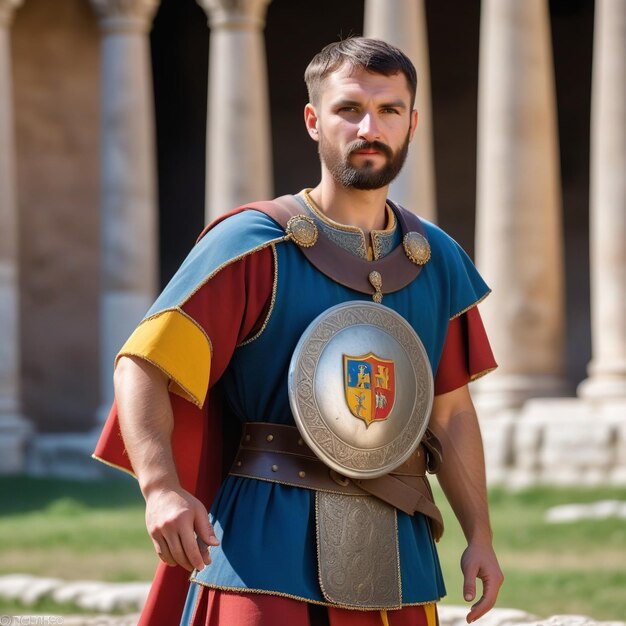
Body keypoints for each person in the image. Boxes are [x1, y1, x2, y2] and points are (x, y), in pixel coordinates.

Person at [94, 37, 503, 626]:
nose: (371, 126)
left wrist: (480, 536)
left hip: (401, 551)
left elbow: (452, 413)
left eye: (389, 110)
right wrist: (160, 487)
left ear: (412, 124)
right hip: (263, 550)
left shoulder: (436, 259)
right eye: (349, 109)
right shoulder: (254, 244)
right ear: (314, 120)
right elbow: (142, 365)